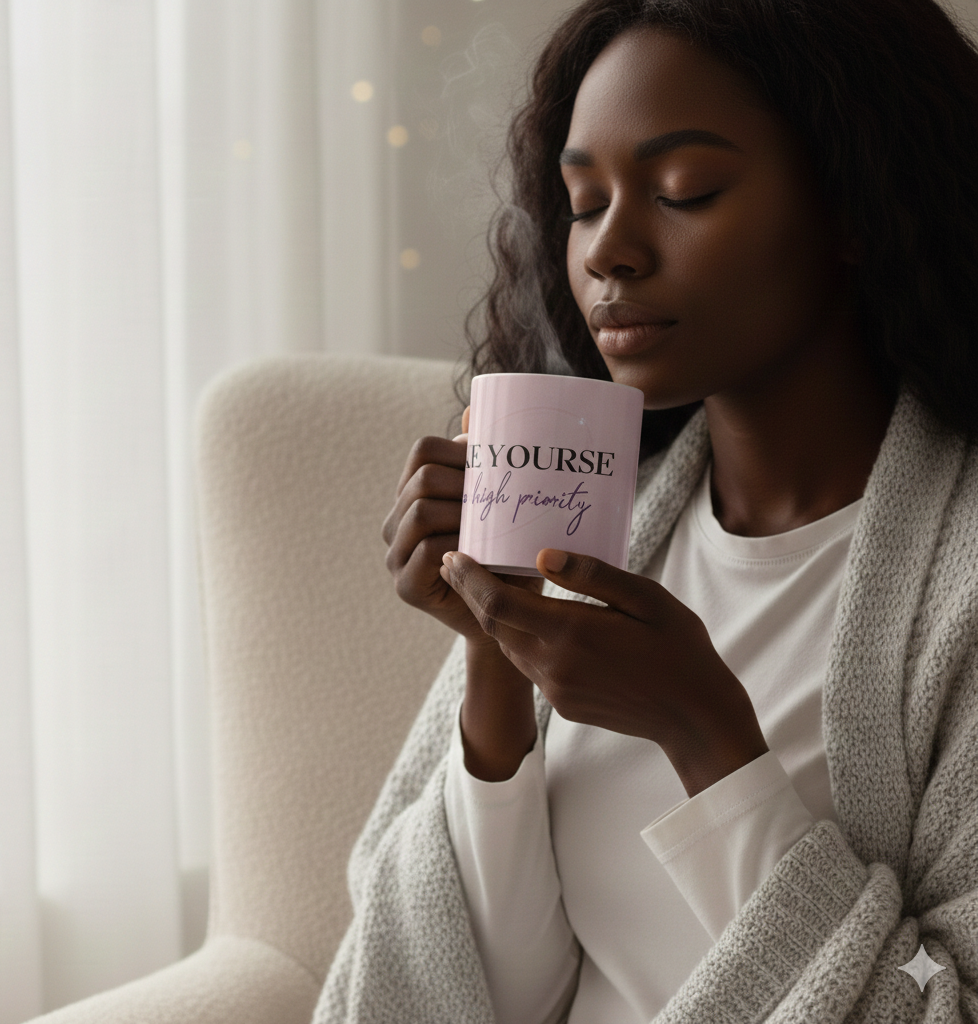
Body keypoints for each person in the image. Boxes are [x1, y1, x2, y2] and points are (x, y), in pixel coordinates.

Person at [311, 0, 978, 1021]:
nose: (608, 251)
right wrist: (494, 657)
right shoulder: (598, 518)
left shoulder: (957, 587)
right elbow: (469, 997)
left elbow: (940, 1000)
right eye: (584, 203)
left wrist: (703, 735)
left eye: (684, 191)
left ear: (855, 202)